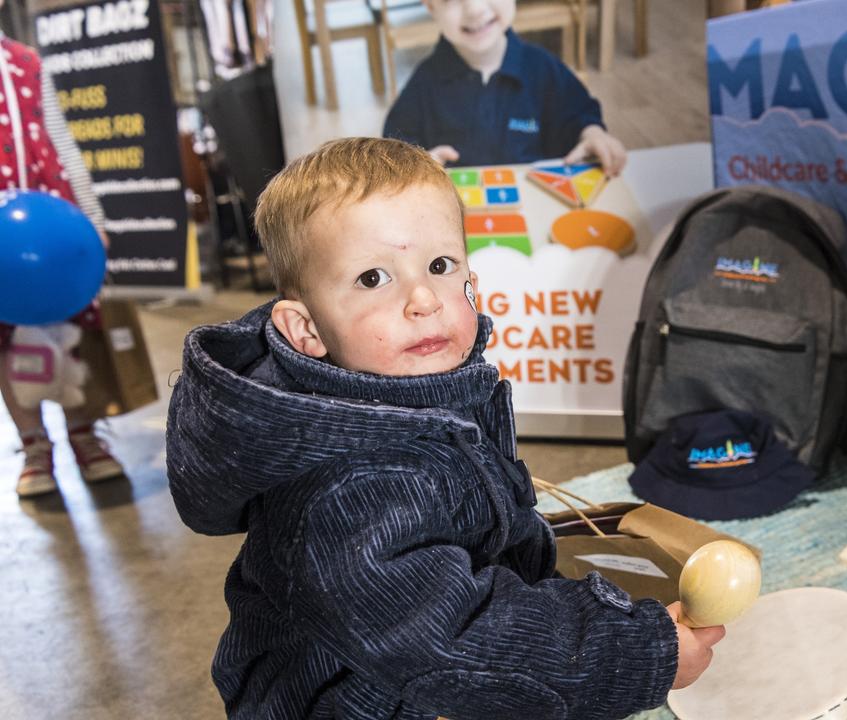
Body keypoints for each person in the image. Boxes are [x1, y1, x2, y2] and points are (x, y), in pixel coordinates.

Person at [165, 137, 722, 718]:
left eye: (438, 265)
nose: (424, 299)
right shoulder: (350, 487)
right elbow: (449, 638)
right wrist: (634, 651)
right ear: (306, 330)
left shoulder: (427, 388)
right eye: (373, 278)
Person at [1, 10, 125, 497]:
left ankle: (84, 433)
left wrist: (92, 217)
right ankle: (33, 445)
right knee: (7, 339)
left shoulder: (26, 62)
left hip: (52, 226)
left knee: (72, 331)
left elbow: (62, 141)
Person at [383, 0, 627, 175]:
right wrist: (419, 164)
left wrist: (593, 134)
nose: (475, 9)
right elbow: (394, 145)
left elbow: (579, 114)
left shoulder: (543, 68)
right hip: (456, 216)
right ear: (430, 6)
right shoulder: (425, 82)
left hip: (534, 206)